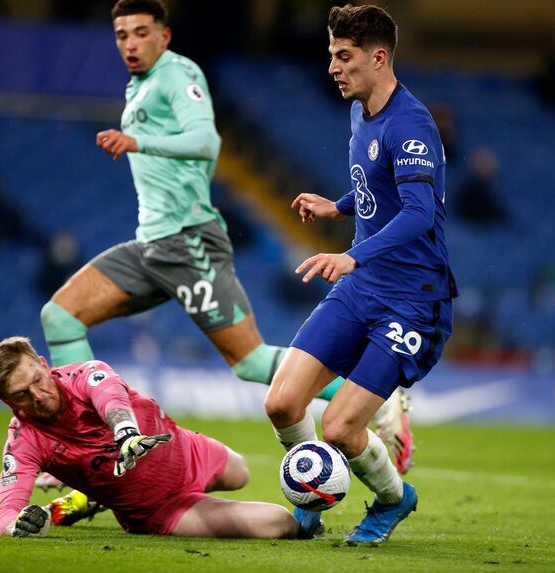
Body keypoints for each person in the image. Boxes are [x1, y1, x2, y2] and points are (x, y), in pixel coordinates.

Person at [38, 0, 413, 470]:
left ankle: (376, 400)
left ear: (164, 37)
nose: (130, 43)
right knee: (60, 318)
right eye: (121, 35)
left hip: (188, 242)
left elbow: (205, 143)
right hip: (150, 243)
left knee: (251, 363)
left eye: (140, 32)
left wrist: (138, 141)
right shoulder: (141, 86)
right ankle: (89, 446)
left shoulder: (178, 75)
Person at [264, 4, 457, 545]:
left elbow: (420, 213)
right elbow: (383, 187)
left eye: (343, 56)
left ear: (379, 57)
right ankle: (316, 492)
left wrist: (353, 254)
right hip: (363, 288)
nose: (332, 66)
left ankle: (395, 500)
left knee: (340, 427)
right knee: (281, 403)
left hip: (412, 299)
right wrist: (341, 207)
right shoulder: (360, 110)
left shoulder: (411, 122)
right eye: (331, 55)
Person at [0, 336, 302, 538]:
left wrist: (126, 433)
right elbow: (7, 511)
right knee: (281, 523)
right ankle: (97, 498)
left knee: (241, 472)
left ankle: (89, 498)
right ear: (6, 402)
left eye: (38, 379)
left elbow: (111, 400)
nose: (38, 396)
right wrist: (17, 526)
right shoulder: (25, 442)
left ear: (43, 364)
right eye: (22, 394)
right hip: (159, 508)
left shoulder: (86, 374)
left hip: (186, 449)